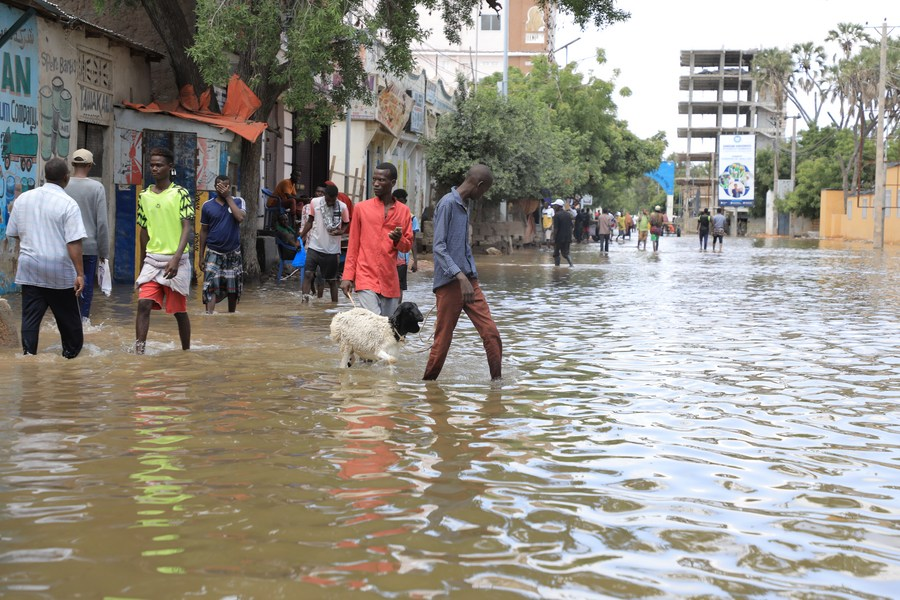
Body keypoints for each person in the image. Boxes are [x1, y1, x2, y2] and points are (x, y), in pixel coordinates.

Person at [423, 164, 502, 381]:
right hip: (451, 283)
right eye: (484, 191)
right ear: (479, 185)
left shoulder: (464, 206)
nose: (483, 196)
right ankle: (428, 385)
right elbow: (438, 247)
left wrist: (469, 278)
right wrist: (460, 277)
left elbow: (462, 248)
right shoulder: (447, 204)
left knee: (491, 334)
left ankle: (497, 385)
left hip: (470, 281)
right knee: (442, 342)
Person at [6, 158, 86, 358]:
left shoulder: (23, 199)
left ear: (45, 176)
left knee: (30, 320)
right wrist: (80, 274)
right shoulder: (68, 204)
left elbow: (14, 232)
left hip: (30, 268)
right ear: (66, 178)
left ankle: (28, 355)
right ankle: (70, 357)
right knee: (70, 324)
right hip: (59, 271)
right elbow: (74, 242)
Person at [134, 147, 194, 354]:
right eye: (151, 165)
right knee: (143, 304)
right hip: (153, 260)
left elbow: (187, 226)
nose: (154, 168)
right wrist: (142, 261)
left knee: (179, 312)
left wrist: (176, 259)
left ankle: (186, 352)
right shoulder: (144, 196)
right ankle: (139, 352)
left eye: (159, 165)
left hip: (177, 260)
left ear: (170, 167)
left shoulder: (181, 193)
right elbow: (143, 230)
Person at [340, 162, 412, 316]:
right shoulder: (361, 208)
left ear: (392, 183)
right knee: (374, 322)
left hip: (390, 280)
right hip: (365, 276)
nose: (376, 184)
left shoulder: (404, 211)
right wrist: (347, 277)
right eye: (374, 180)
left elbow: (406, 247)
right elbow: (353, 246)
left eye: (381, 180)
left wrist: (398, 240)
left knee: (387, 328)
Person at [65, 148, 108, 323]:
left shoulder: (63, 185)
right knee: (86, 284)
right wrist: (104, 252)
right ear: (89, 166)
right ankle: (83, 321)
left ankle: (66, 321)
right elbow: (102, 223)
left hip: (65, 246)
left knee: (66, 284)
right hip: (89, 247)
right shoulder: (97, 187)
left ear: (73, 164)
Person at [199, 175, 245, 314]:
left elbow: (240, 217)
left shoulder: (238, 201)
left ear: (229, 187)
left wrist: (228, 197)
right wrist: (201, 256)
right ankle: (209, 316)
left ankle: (231, 317)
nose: (222, 188)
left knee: (233, 288)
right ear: (214, 187)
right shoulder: (207, 206)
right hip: (213, 251)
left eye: (225, 185)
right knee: (210, 286)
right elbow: (204, 231)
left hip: (233, 252)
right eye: (219, 185)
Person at [299, 182, 349, 302]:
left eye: (333, 200)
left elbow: (346, 222)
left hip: (331, 250)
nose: (330, 203)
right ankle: (304, 303)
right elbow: (310, 221)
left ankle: (333, 307)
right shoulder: (315, 202)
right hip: (314, 247)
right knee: (308, 275)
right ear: (324, 196)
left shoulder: (342, 207)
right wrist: (300, 236)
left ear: (336, 197)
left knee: (332, 281)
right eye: (328, 200)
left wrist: (341, 231)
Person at [392, 188, 420, 300]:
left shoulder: (411, 218)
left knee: (399, 286)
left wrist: (415, 261)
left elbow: (413, 240)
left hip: (402, 257)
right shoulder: (387, 214)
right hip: (387, 256)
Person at [551, 199, 574, 267]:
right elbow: (571, 226)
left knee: (556, 253)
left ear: (558, 206)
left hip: (559, 238)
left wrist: (553, 239)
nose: (554, 207)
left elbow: (556, 229)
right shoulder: (568, 215)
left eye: (555, 206)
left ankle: (557, 268)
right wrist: (570, 237)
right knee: (566, 253)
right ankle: (571, 265)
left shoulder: (557, 215)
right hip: (567, 238)